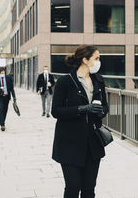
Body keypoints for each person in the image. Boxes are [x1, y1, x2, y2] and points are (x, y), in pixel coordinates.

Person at [52, 45, 109, 198]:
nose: (99, 62)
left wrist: (101, 111)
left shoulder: (98, 80)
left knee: (89, 188)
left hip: (93, 143)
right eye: (96, 58)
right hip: (69, 143)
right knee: (73, 187)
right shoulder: (65, 82)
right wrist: (82, 109)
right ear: (85, 60)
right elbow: (56, 111)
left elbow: (105, 107)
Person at [0, 67, 17, 131]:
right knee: (1, 109)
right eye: (1, 73)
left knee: (5, 110)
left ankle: (3, 122)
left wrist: (14, 97)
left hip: (7, 97)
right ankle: (2, 125)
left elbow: (11, 89)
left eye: (4, 73)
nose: (3, 74)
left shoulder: (8, 78)